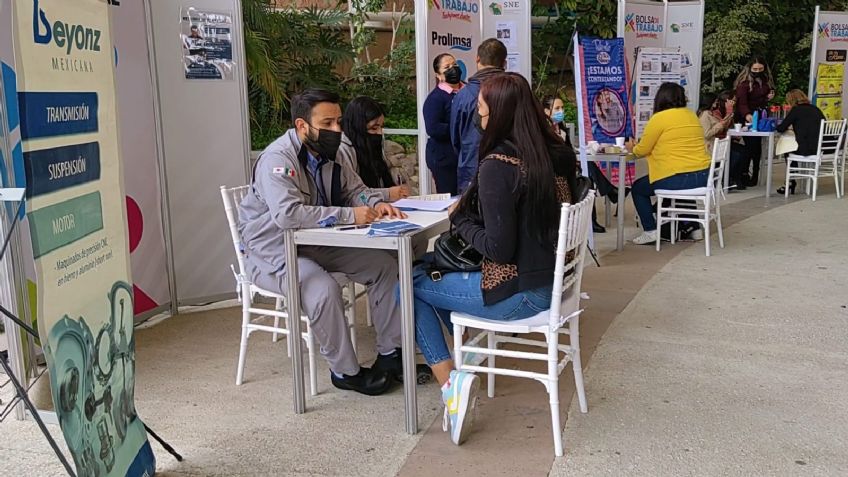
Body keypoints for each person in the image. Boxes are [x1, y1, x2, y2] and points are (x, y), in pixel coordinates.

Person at [411, 73, 577, 445]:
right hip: (553, 284)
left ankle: (452, 384)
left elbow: (499, 249)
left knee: (407, 286)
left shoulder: (498, 166)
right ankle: (462, 360)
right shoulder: (554, 155)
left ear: (499, 115)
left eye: (481, 111)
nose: (478, 118)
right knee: (424, 276)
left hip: (519, 294)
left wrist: (459, 219)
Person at [239, 89, 408, 396]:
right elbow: (288, 216)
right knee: (322, 287)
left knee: (384, 265)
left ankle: (391, 354)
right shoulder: (278, 160)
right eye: (327, 123)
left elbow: (355, 191)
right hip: (273, 250)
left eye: (339, 122)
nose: (336, 130)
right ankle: (345, 372)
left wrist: (374, 203)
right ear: (302, 126)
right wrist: (350, 216)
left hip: (316, 240)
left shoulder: (337, 152)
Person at [625, 83, 711, 245]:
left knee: (638, 188)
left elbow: (642, 149)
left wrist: (632, 147)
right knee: (686, 183)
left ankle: (650, 230)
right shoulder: (691, 115)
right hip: (703, 177)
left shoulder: (659, 118)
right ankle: (695, 228)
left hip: (676, 178)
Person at [542, 94, 610, 233]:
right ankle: (609, 191)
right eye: (557, 108)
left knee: (588, 176)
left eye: (562, 108)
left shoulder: (560, 128)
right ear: (546, 111)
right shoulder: (544, 131)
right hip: (555, 174)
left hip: (567, 168)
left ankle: (593, 216)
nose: (561, 112)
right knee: (587, 176)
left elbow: (568, 150)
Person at [450, 38, 507, 193]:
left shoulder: (464, 95)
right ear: (504, 63)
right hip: (510, 169)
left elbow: (456, 137)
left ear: (477, 59)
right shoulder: (515, 92)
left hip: (471, 168)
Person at [338, 96, 410, 202]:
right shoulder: (343, 151)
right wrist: (387, 193)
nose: (379, 133)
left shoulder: (372, 146)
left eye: (381, 127)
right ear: (358, 126)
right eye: (374, 128)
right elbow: (352, 195)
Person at [423, 54, 463, 195]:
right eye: (447, 67)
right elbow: (433, 128)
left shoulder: (467, 91)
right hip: (445, 159)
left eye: (455, 65)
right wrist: (458, 128)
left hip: (465, 156)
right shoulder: (435, 99)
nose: (453, 69)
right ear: (439, 75)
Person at [775, 89, 826, 194]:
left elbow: (781, 128)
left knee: (788, 150)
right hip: (820, 148)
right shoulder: (816, 109)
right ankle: (791, 181)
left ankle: (791, 181)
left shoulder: (796, 110)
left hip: (807, 149)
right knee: (793, 148)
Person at [734, 57, 775, 186]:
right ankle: (744, 173)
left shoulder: (765, 81)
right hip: (747, 117)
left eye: (760, 69)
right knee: (751, 147)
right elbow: (742, 103)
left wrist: (769, 96)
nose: (758, 71)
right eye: (755, 69)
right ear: (750, 69)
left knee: (757, 148)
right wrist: (747, 115)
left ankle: (754, 175)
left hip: (760, 114)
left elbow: (766, 95)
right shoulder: (744, 84)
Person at [698, 91, 748, 190]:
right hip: (711, 146)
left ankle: (734, 178)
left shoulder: (710, 113)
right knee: (736, 154)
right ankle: (727, 179)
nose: (716, 104)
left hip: (720, 142)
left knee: (743, 151)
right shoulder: (706, 115)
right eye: (731, 100)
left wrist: (729, 114)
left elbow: (727, 126)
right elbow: (708, 133)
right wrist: (726, 117)